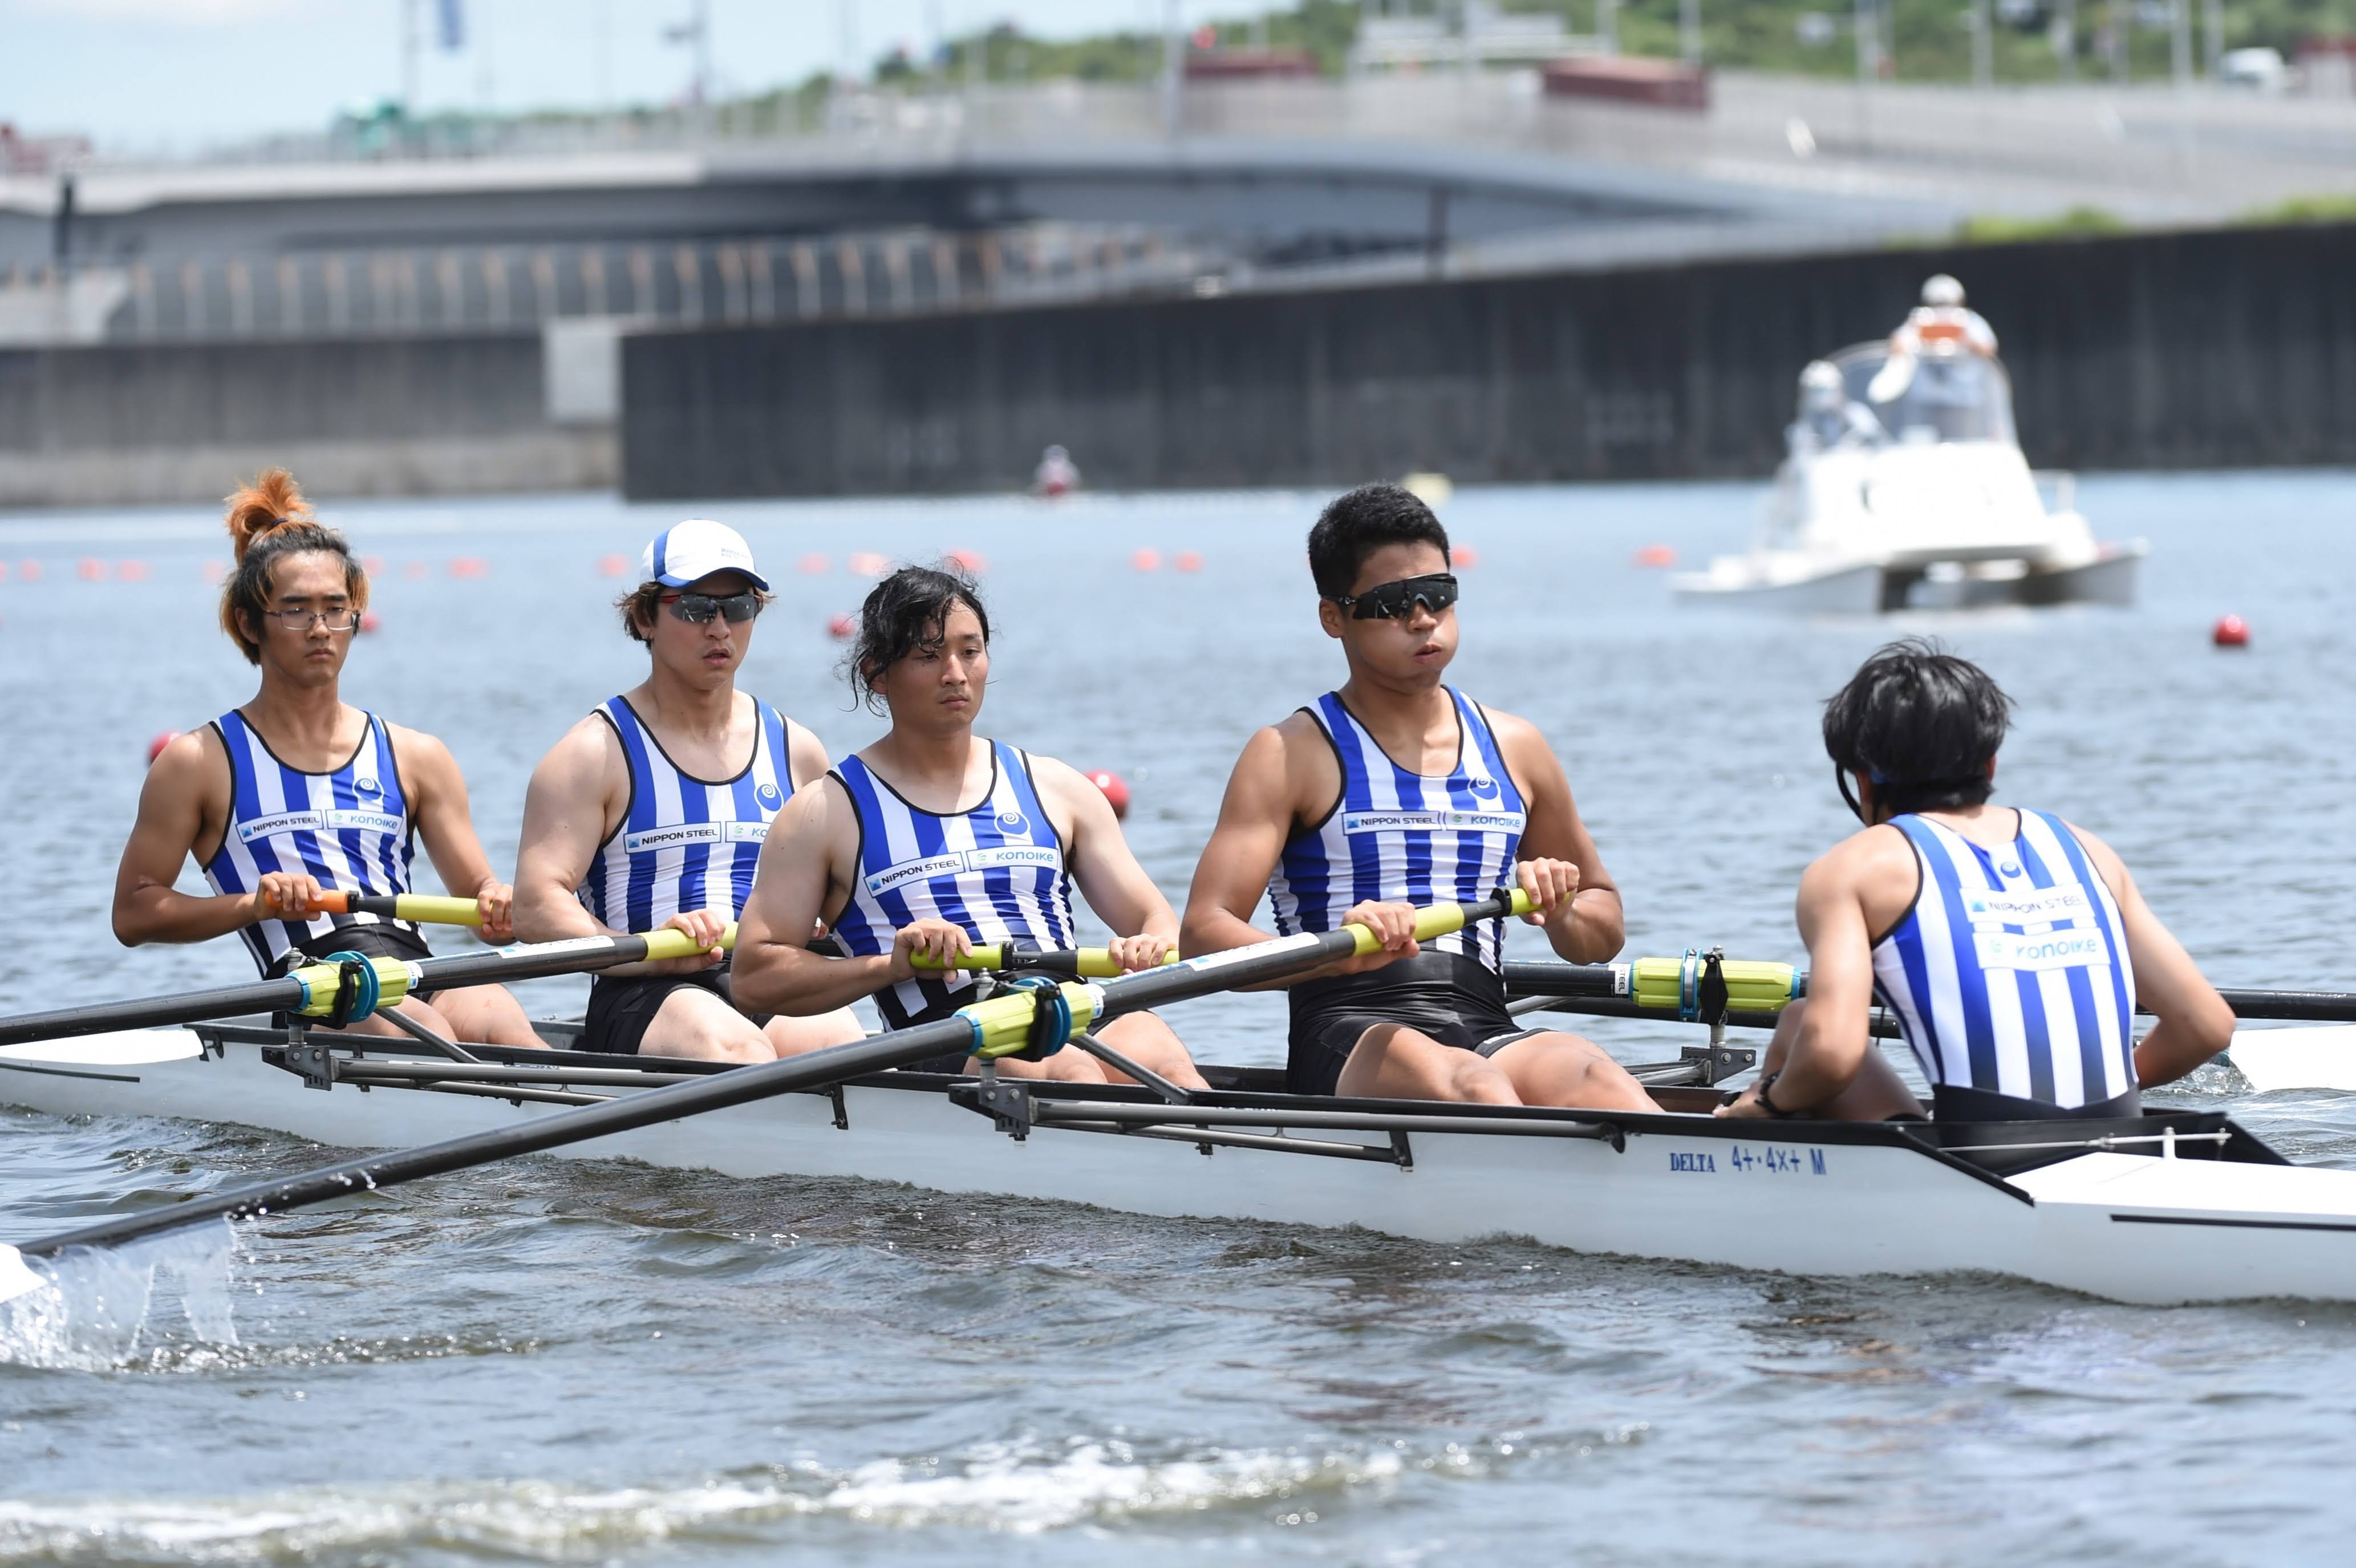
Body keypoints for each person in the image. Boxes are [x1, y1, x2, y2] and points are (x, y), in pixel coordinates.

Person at [1180, 484, 1654, 1111]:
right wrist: (1335, 956)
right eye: (1392, 602)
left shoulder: (1517, 746)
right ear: (1333, 617)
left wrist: (1563, 909)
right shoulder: (1289, 752)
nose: (1423, 616)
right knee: (1472, 1086)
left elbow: (1603, 932)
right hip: (1348, 1028)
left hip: (1485, 1019)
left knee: (1601, 1078)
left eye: (1439, 594)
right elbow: (1203, 936)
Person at [1717, 640, 2235, 1124]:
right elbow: (2206, 1026)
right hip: (2119, 1143)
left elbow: (1831, 1054)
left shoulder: (1852, 869)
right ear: (1990, 761)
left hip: (1980, 1164)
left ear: (1862, 777)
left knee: (1800, 1022)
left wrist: (1763, 1104)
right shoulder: (2085, 848)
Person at [731, 566, 1207, 1090]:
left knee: (1164, 1058)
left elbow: (1153, 918)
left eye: (970, 651)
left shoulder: (1057, 788)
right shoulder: (822, 813)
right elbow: (755, 976)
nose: (954, 674)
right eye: (928, 656)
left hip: (1069, 1001)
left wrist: (1147, 944)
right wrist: (888, 968)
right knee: (1063, 1070)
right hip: (947, 1033)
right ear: (876, 673)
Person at [111, 469, 540, 1048]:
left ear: (356, 616)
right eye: (296, 610)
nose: (320, 629)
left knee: (505, 1022)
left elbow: (477, 894)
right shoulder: (198, 762)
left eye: (336, 608)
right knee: (427, 1030)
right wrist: (251, 904)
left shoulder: (416, 755)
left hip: (417, 967)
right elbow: (134, 914)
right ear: (248, 623)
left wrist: (496, 899)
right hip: (314, 988)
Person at [513, 519, 863, 1062]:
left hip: (766, 979)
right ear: (644, 617)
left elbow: (845, 899)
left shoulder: (796, 750)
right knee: (740, 1051)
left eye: (738, 607)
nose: (720, 628)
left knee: (845, 1045)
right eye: (696, 608)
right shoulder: (592, 755)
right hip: (642, 991)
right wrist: (647, 956)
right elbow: (536, 908)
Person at [1790, 359, 1884, 454]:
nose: (1822, 397)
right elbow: (1800, 461)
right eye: (1816, 391)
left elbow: (1881, 444)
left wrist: (1861, 446)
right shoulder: (1802, 428)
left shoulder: (1857, 414)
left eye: (1827, 390)